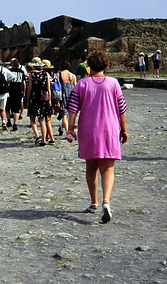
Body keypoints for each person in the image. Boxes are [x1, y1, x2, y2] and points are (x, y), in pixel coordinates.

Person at [65, 51, 128, 223]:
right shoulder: (114, 83)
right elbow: (121, 110)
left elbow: (72, 108)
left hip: (89, 130)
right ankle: (106, 202)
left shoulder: (82, 84)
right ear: (106, 65)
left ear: (89, 66)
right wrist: (124, 129)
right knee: (107, 169)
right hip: (109, 129)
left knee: (91, 168)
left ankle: (94, 202)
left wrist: (70, 128)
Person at [26, 57, 52, 146]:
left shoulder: (31, 75)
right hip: (43, 98)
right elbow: (49, 88)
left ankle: (37, 136)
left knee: (32, 118)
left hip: (34, 97)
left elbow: (29, 88)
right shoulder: (46, 74)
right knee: (42, 119)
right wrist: (50, 100)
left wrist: (28, 99)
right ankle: (44, 140)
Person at [56, 61, 76, 136]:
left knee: (64, 114)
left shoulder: (59, 74)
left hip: (62, 96)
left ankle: (67, 131)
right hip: (70, 96)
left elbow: (56, 86)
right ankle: (61, 128)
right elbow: (75, 87)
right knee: (67, 114)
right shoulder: (73, 76)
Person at [5, 58, 26, 131]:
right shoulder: (21, 72)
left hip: (10, 91)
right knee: (16, 108)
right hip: (18, 91)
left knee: (7, 106)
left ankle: (8, 120)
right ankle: (15, 123)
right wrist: (23, 91)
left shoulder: (9, 71)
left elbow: (7, 81)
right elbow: (23, 83)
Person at [42, 59, 58, 144]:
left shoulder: (44, 75)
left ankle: (51, 137)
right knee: (49, 118)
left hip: (46, 98)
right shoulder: (54, 75)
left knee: (46, 119)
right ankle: (48, 135)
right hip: (54, 98)